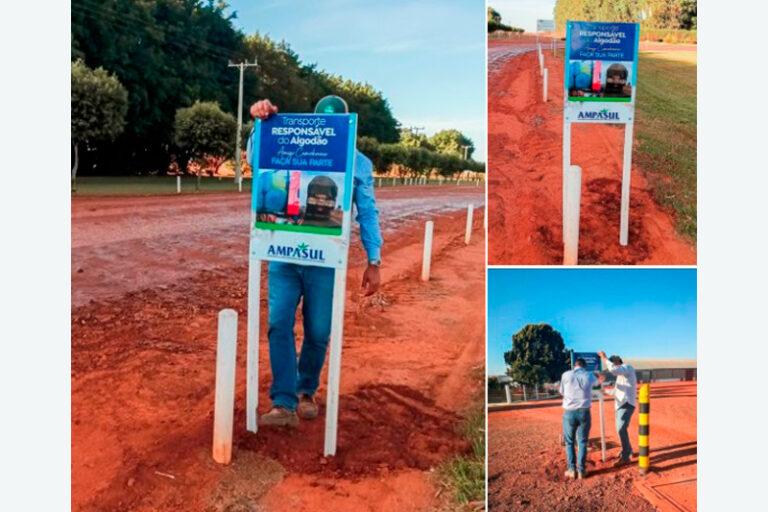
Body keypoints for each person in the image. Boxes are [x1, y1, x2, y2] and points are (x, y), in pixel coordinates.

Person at [250, 96, 383, 427]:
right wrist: (260, 124)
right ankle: (283, 402)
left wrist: (374, 259)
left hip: (325, 260)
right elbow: (255, 158)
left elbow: (367, 211)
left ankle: (306, 389)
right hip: (282, 254)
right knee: (279, 324)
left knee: (319, 330)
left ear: (346, 126)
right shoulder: (290, 143)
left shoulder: (358, 164)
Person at [559, 357, 599, 479]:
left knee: (569, 442)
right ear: (584, 366)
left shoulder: (566, 374)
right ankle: (581, 471)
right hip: (584, 412)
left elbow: (561, 391)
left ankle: (571, 470)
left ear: (574, 365)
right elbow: (597, 385)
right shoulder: (590, 375)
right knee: (582, 442)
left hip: (569, 412)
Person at [598, 351, 638, 466]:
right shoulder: (621, 375)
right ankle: (628, 450)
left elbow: (613, 370)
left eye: (611, 362)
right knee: (621, 430)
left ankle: (626, 456)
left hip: (626, 405)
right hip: (620, 405)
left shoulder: (627, 368)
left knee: (621, 429)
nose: (610, 365)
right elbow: (615, 391)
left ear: (617, 362)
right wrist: (603, 390)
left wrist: (604, 358)